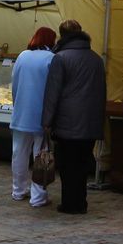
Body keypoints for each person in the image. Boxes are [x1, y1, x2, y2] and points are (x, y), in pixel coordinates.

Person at [41, 19, 106, 215]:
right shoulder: (96, 59)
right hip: (90, 121)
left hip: (67, 121)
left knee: (67, 165)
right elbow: (101, 92)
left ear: (62, 35)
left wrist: (47, 121)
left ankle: (70, 203)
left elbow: (52, 93)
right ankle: (80, 201)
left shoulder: (60, 58)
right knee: (82, 163)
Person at [10, 26, 57, 207]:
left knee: (18, 154)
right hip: (42, 114)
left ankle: (18, 190)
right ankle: (37, 196)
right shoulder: (52, 59)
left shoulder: (22, 56)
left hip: (21, 112)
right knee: (41, 155)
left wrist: (17, 104)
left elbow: (14, 85)